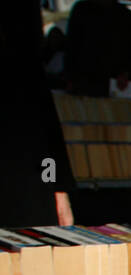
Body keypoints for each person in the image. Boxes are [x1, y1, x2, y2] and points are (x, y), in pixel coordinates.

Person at [0, 2, 75, 227]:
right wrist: (55, 187)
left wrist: (55, 186)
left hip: (28, 186)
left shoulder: (25, 69)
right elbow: (46, 145)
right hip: (28, 190)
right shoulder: (26, 69)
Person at [63, 0, 131, 97]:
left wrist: (127, 72)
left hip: (115, 85)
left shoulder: (128, 17)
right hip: (84, 82)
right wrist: (70, 78)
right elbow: (71, 46)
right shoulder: (82, 10)